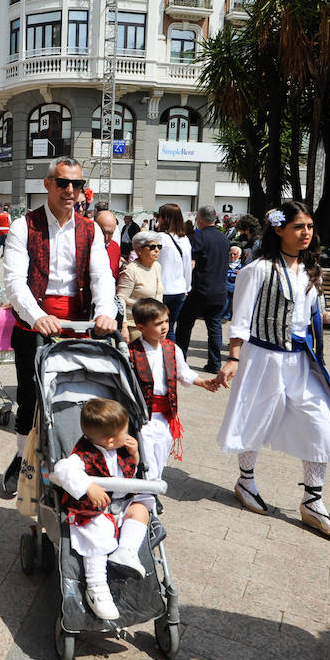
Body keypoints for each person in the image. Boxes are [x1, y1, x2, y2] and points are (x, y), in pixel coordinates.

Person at [215, 201, 330, 540]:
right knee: (254, 418)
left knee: (321, 422)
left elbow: (316, 316)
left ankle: (313, 501)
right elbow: (239, 319)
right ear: (279, 229)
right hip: (262, 356)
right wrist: (233, 359)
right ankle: (246, 480)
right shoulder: (258, 269)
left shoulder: (313, 271)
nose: (307, 233)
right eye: (299, 226)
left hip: (301, 360)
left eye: (310, 226)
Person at [0, 157, 118, 496]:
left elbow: (101, 276)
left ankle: (74, 460)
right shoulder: (24, 226)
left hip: (78, 322)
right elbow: (14, 282)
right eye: (63, 183)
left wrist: (105, 311)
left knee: (79, 395)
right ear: (47, 184)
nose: (70, 190)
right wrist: (36, 316)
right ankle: (22, 460)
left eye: (76, 184)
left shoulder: (90, 228)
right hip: (34, 322)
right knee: (30, 397)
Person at [47, 398, 151, 621]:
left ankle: (126, 551)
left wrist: (135, 456)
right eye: (126, 431)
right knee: (99, 535)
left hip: (122, 505)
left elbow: (128, 474)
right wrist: (87, 485)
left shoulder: (121, 448)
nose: (129, 434)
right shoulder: (82, 456)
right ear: (111, 440)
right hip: (95, 513)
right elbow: (61, 470)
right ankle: (96, 587)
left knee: (142, 509)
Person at [128, 298, 216, 481]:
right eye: (158, 324)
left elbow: (183, 372)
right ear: (141, 327)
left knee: (161, 453)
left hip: (166, 416)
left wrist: (203, 382)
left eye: (166, 321)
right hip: (142, 418)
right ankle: (148, 493)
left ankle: (154, 487)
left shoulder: (171, 348)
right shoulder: (131, 353)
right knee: (146, 456)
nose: (164, 327)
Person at [177, 206, 231, 374]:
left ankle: (180, 361)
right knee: (214, 327)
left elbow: (189, 260)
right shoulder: (224, 238)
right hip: (219, 291)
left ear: (199, 219)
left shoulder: (198, 237)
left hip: (200, 290)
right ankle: (215, 364)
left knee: (184, 325)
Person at [154, 204, 192, 346]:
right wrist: (187, 287)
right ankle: (171, 360)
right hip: (180, 290)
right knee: (170, 329)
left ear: (164, 218)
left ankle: (161, 360)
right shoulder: (185, 240)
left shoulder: (160, 237)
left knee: (157, 329)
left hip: (162, 289)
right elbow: (187, 267)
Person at [117, 232, 164, 341]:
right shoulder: (131, 270)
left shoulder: (157, 266)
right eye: (152, 247)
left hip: (155, 323)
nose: (157, 250)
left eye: (159, 246)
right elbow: (121, 299)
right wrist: (124, 327)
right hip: (135, 326)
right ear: (139, 250)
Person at [95, 210, 121, 277]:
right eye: (103, 232)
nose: (106, 238)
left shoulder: (115, 247)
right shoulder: (83, 246)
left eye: (110, 233)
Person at [224, 245, 243, 321]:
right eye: (230, 254)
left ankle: (227, 315)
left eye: (235, 254)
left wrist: (241, 273)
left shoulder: (243, 265)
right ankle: (226, 315)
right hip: (227, 284)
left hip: (237, 285)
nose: (232, 256)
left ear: (239, 255)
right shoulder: (225, 263)